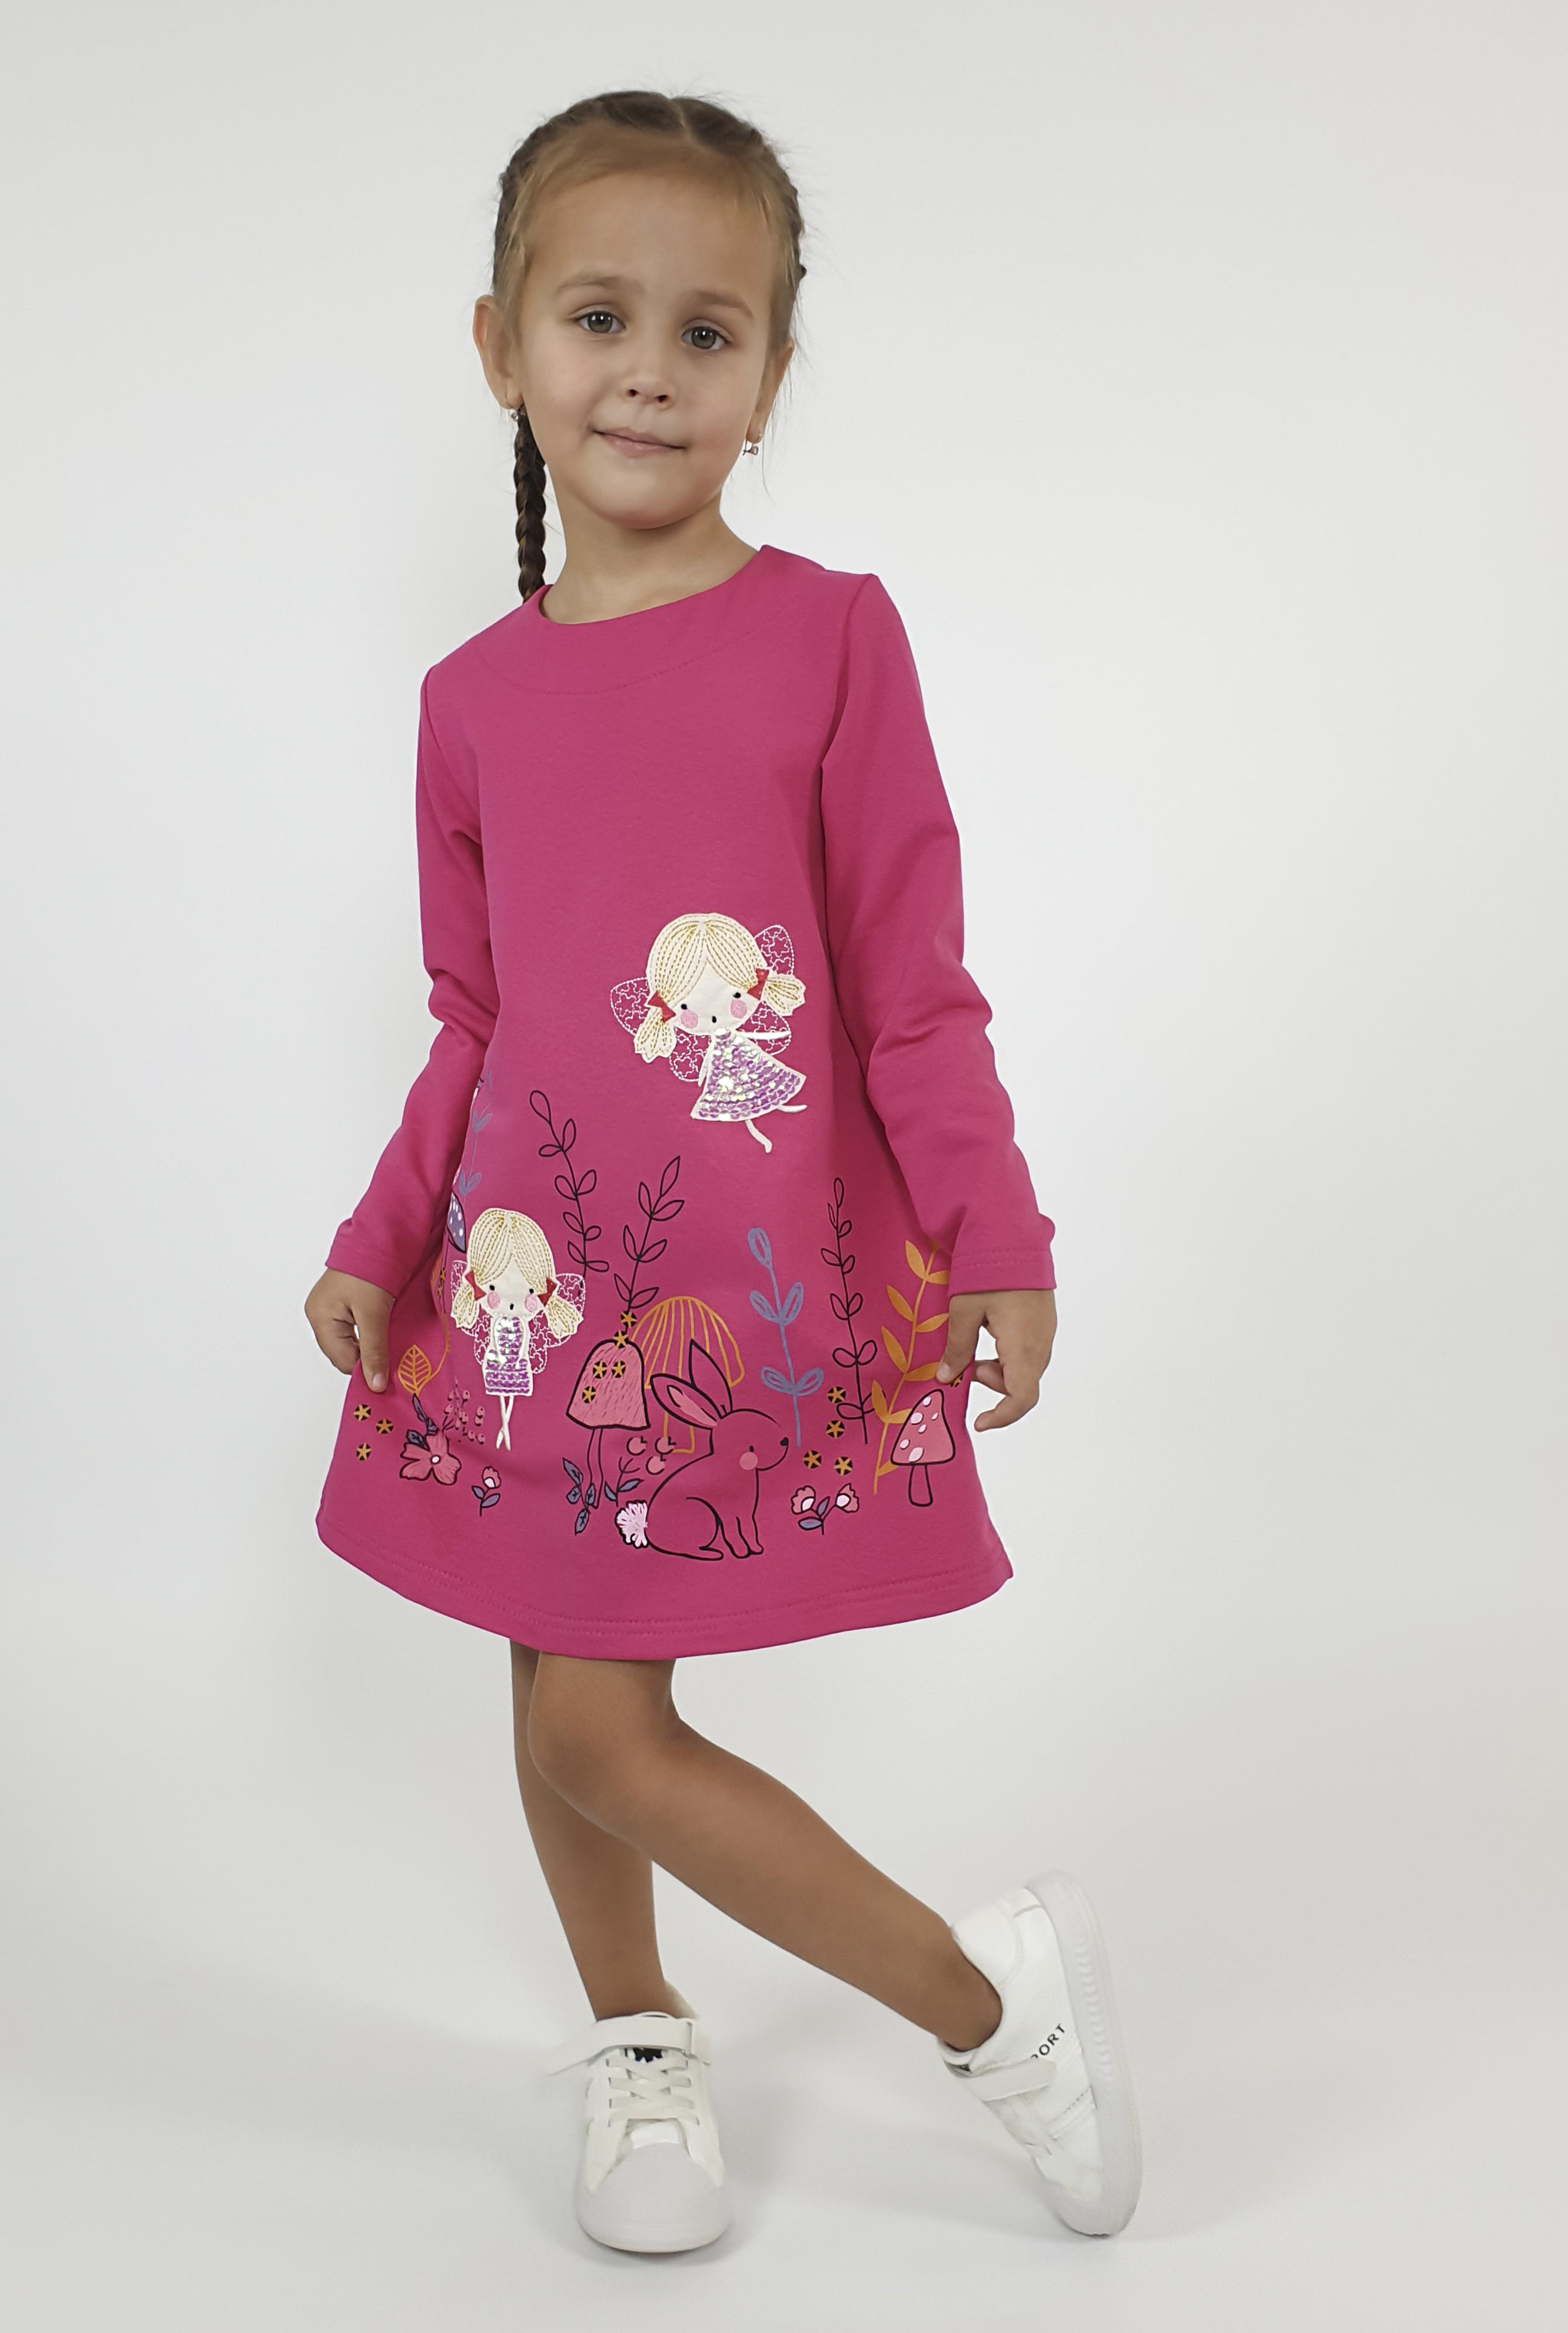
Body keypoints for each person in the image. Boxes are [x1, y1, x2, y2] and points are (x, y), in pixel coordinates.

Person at [304, 87, 1141, 2255]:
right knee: (554, 1690)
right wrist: (381, 1237)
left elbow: (910, 985)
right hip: (519, 1282)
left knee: (603, 1728)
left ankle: (991, 2009)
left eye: (710, 330)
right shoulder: (468, 699)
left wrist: (1000, 1228)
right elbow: (474, 1016)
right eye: (600, 318)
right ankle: (640, 2037)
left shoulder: (832, 634)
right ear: (501, 347)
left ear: (771, 376)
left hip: (731, 1277)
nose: (650, 372)